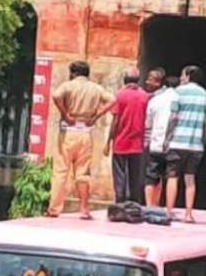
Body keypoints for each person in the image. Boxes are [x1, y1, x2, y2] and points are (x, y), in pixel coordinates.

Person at [48, 61, 115, 219]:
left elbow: (56, 96)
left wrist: (65, 114)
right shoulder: (95, 88)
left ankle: (54, 209)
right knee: (83, 173)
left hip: (68, 132)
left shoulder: (68, 86)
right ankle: (84, 209)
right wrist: (97, 115)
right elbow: (112, 100)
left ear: (73, 73)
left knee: (61, 172)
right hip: (86, 131)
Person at [164, 65, 206, 223]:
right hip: (195, 144)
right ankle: (188, 214)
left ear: (189, 76)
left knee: (172, 176)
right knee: (190, 179)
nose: (181, 78)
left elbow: (173, 118)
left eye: (183, 75)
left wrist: (167, 137)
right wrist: (203, 141)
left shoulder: (178, 93)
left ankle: (169, 212)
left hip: (177, 141)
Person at [101, 66, 149, 204]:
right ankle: (134, 203)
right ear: (138, 80)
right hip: (137, 144)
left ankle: (120, 202)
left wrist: (108, 141)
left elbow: (115, 121)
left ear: (124, 79)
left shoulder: (119, 95)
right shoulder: (144, 96)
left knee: (119, 174)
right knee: (135, 175)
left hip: (120, 142)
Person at [143, 72, 179, 206]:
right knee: (170, 177)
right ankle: (166, 208)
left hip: (155, 143)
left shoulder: (155, 100)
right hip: (173, 145)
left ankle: (149, 205)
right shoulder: (179, 100)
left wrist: (146, 142)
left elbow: (148, 124)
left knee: (151, 177)